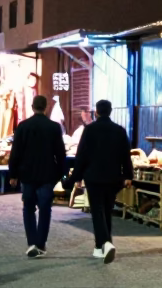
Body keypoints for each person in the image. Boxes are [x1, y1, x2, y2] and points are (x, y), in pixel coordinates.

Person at [65, 99, 131, 264]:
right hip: (113, 178)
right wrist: (129, 176)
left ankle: (106, 242)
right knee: (106, 211)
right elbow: (126, 155)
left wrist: (76, 178)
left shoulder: (90, 130)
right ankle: (99, 247)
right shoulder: (119, 131)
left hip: (94, 177)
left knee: (97, 211)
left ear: (96, 112)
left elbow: (81, 157)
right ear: (111, 111)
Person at [8, 95, 67, 258]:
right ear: (45, 107)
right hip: (47, 174)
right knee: (45, 209)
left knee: (28, 208)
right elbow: (60, 153)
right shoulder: (54, 127)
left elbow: (16, 152)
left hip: (27, 175)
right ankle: (41, 244)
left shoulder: (23, 126)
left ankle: (32, 242)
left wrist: (13, 174)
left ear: (33, 107)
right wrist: (62, 173)